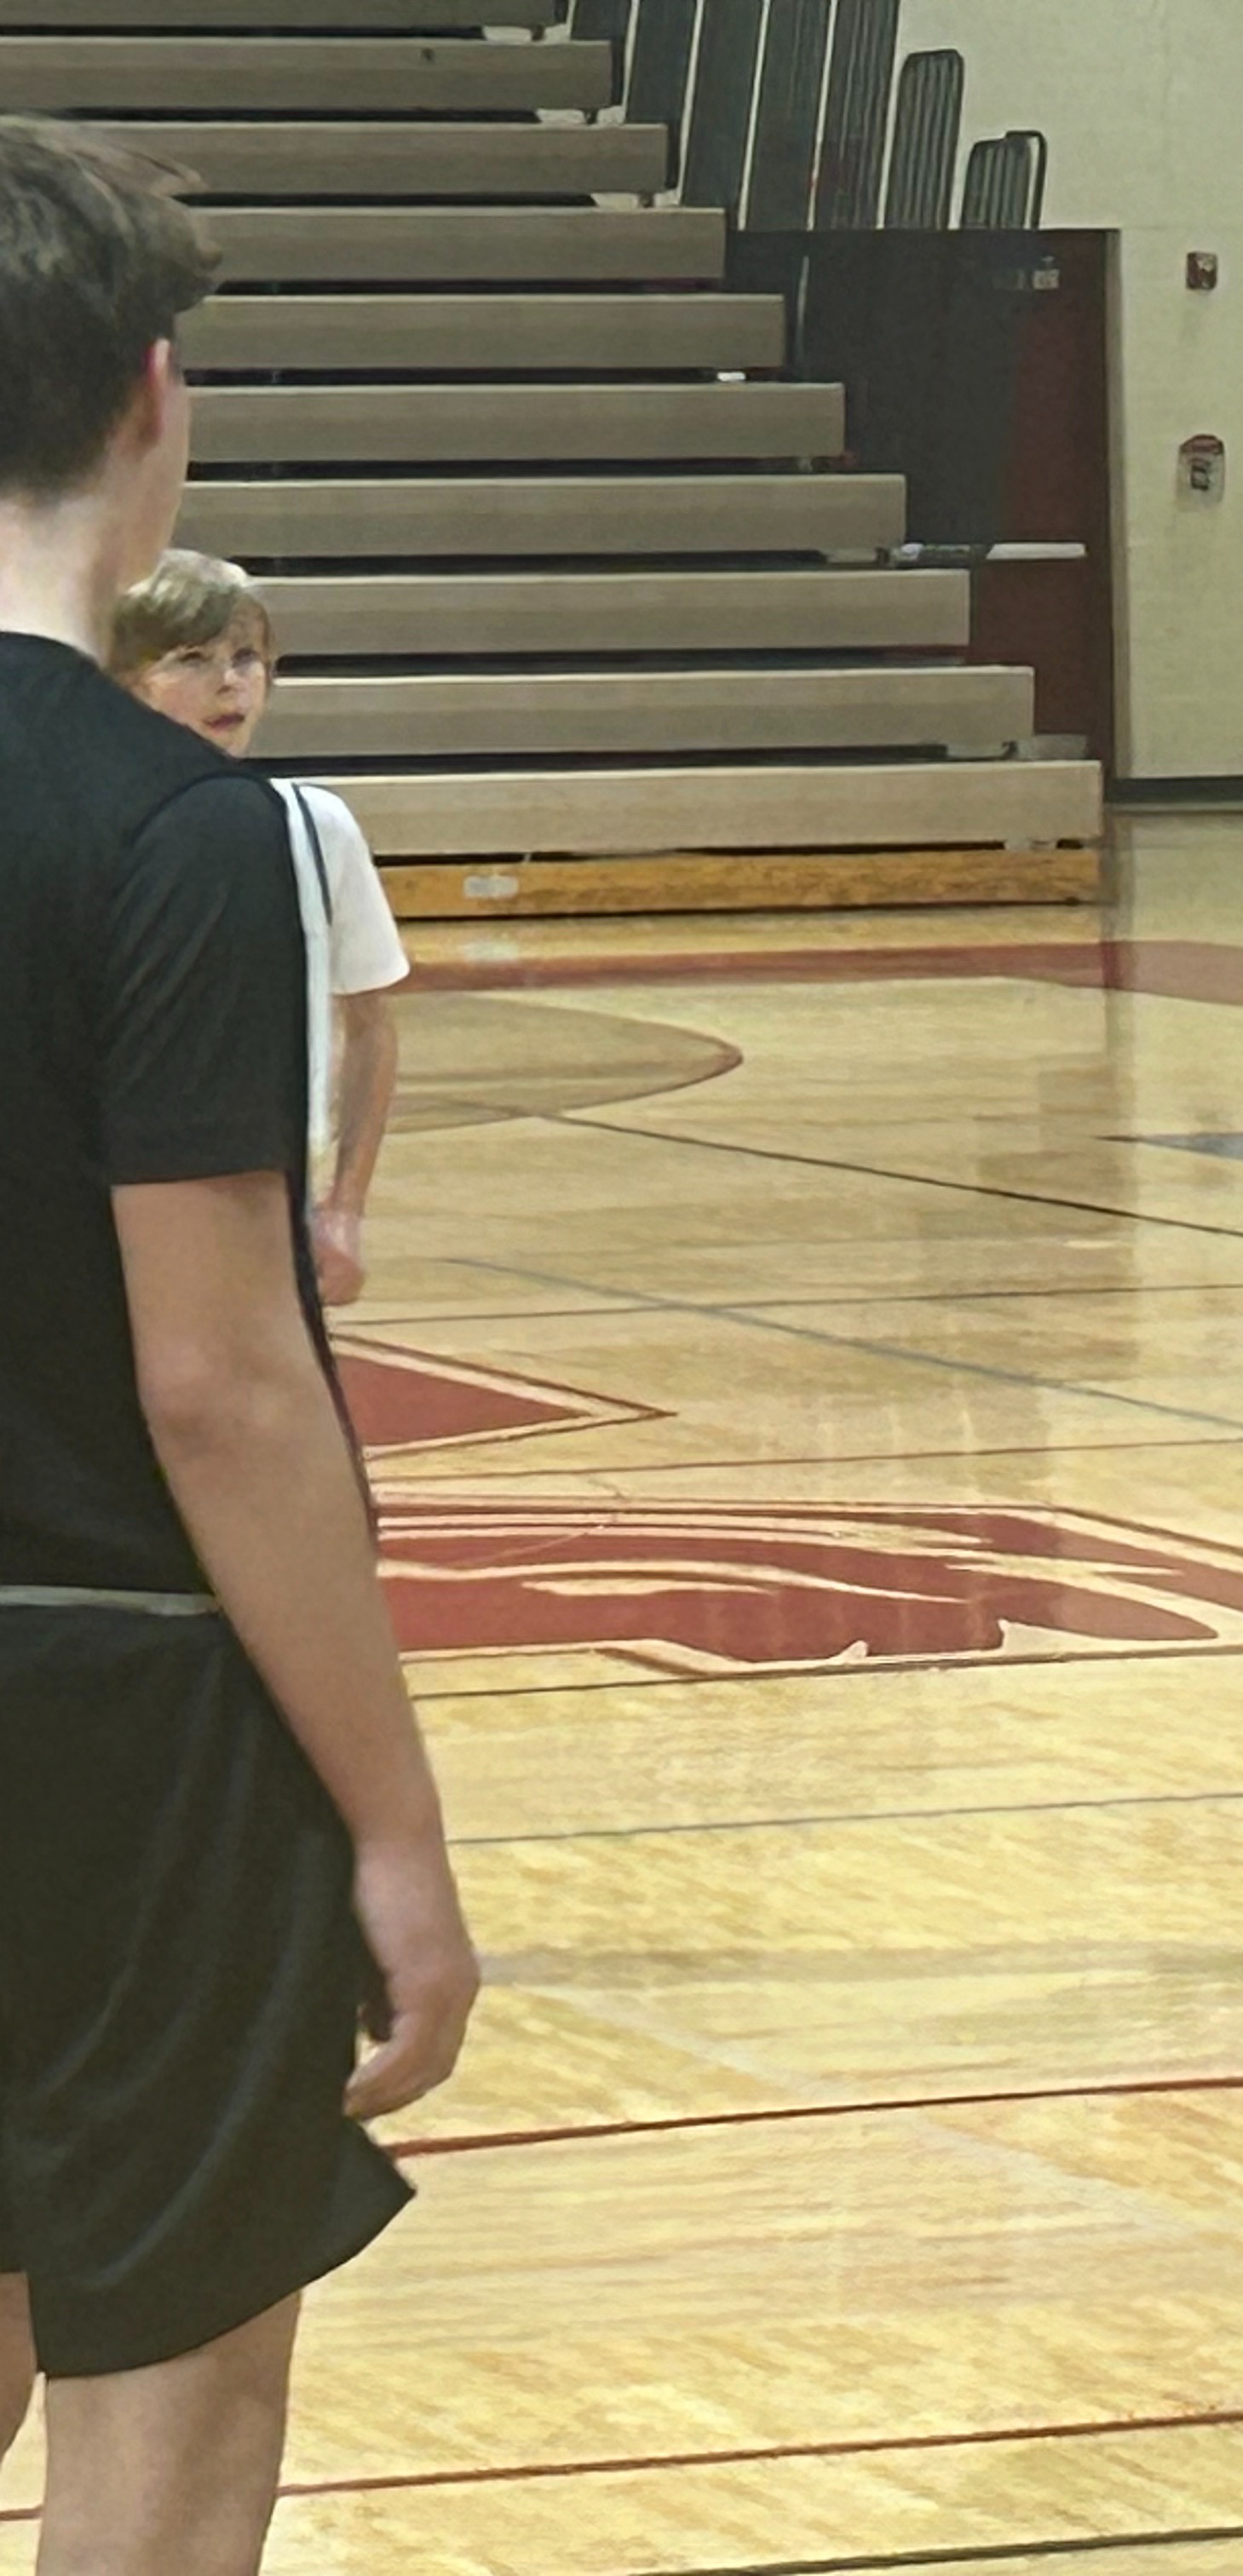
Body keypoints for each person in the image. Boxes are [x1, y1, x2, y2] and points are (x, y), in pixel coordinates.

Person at [0, 116, 480, 2573]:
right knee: (164, 2405)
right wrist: (394, 1822)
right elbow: (217, 1380)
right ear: (153, 400)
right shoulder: (181, 827)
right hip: (121, 1706)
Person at [109, 550, 406, 1306]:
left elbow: (371, 1024)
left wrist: (345, 1208)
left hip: (270, 1199)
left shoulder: (317, 828)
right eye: (192, 659)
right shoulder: (84, 829)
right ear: (122, 680)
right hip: (111, 1193)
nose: (229, 680)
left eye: (247, 657)